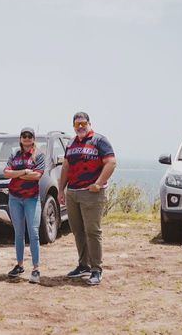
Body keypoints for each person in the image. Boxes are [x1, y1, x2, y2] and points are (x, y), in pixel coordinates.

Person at [58, 112, 116, 286]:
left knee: (92, 231)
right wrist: (61, 189)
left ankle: (96, 269)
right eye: (77, 125)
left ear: (89, 123)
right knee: (78, 231)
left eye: (83, 123)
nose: (80, 127)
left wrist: (98, 183)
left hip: (91, 193)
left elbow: (111, 162)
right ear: (74, 127)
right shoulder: (71, 142)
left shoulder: (99, 140)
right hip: (73, 193)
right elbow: (66, 166)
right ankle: (83, 265)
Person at [4, 127, 45, 284]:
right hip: (15, 198)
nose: (27, 138)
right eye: (24, 136)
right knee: (18, 233)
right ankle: (20, 265)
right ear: (20, 138)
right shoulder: (14, 154)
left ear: (34, 138)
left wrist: (18, 174)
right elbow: (6, 173)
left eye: (30, 136)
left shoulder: (39, 155)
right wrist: (25, 171)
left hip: (31, 199)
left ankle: (36, 269)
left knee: (33, 232)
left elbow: (37, 176)